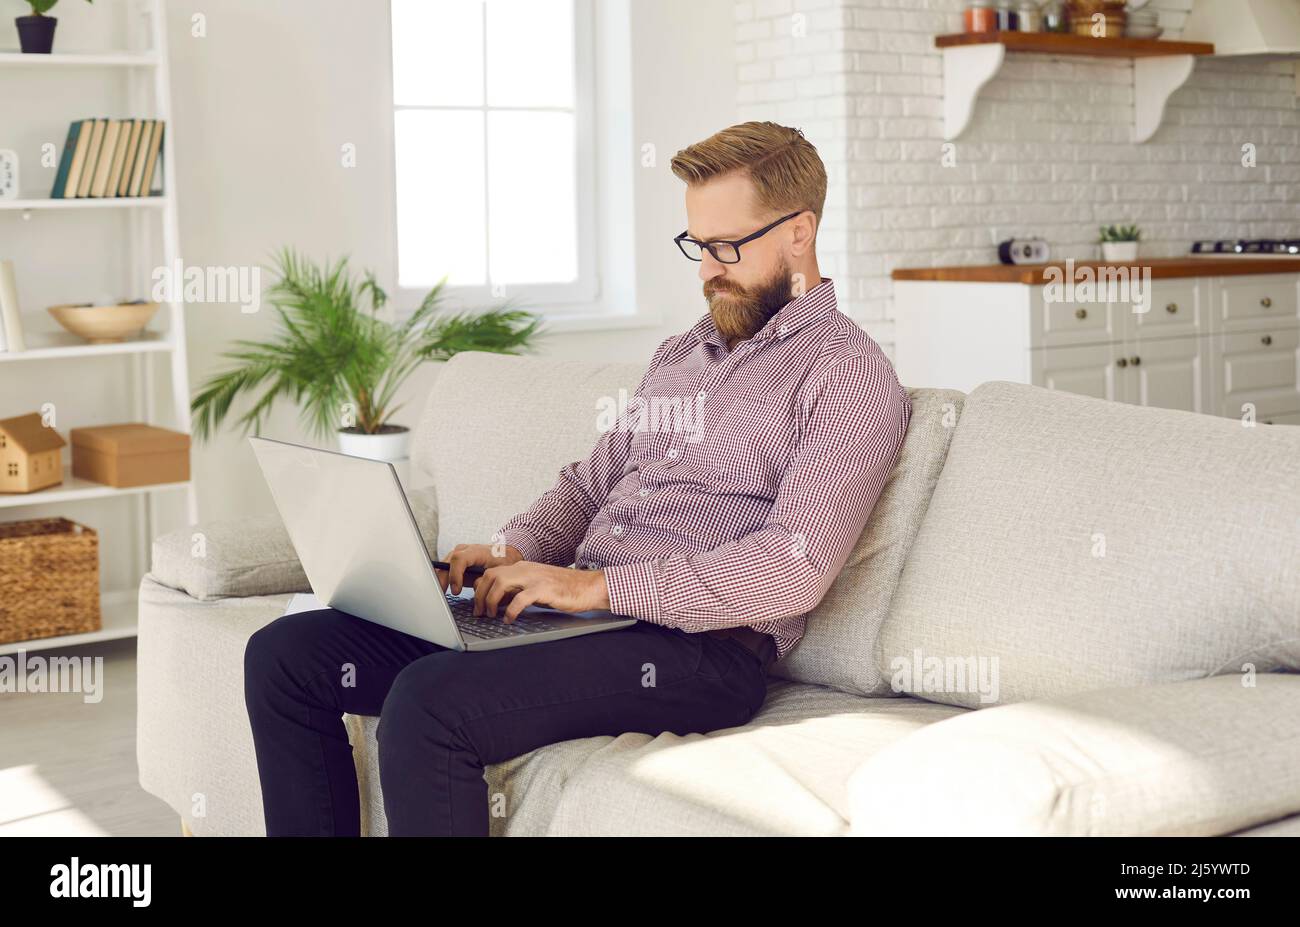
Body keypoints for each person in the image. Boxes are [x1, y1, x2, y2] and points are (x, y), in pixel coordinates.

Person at [243, 121, 912, 836]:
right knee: (287, 655)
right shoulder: (685, 352)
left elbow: (794, 566)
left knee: (427, 702)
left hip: (700, 652)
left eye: (726, 247)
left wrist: (596, 586)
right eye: (697, 245)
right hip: (584, 617)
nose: (706, 269)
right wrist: (511, 551)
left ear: (799, 232)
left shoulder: (849, 376)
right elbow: (589, 486)